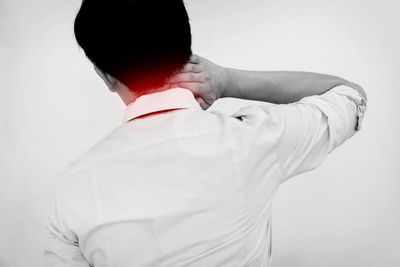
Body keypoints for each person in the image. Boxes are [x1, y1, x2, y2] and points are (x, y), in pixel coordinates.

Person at [44, 0, 367, 266]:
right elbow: (350, 96)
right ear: (186, 50)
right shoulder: (253, 139)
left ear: (105, 76)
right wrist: (227, 81)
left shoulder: (73, 185)